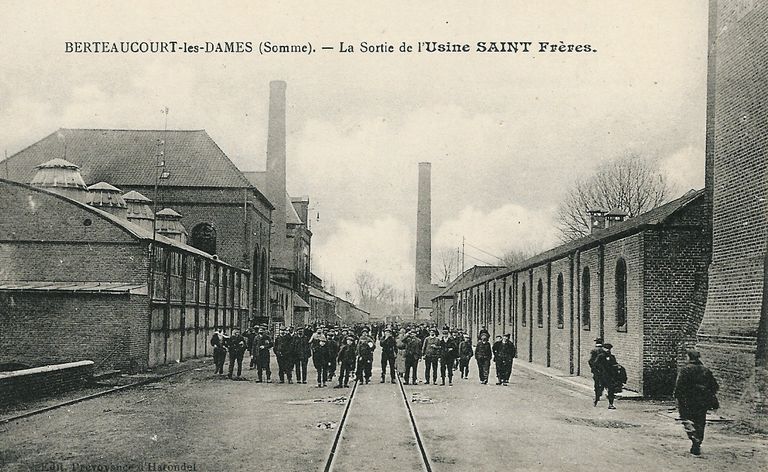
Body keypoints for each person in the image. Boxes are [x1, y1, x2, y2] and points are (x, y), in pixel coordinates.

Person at [674, 350, 719, 456]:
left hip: (687, 400)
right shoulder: (705, 370)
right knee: (700, 421)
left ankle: (693, 435)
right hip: (702, 401)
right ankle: (698, 441)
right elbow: (715, 386)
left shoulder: (685, 370)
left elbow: (679, 386)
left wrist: (676, 397)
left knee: (686, 418)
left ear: (689, 357)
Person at [594, 343, 625, 409]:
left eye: (609, 349)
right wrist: (599, 372)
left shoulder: (612, 357)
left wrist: (617, 366)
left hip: (610, 376)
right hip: (602, 376)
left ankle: (611, 404)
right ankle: (596, 399)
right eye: (606, 349)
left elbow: (614, 364)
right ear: (604, 349)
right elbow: (595, 365)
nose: (608, 350)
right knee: (600, 389)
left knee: (611, 390)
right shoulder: (600, 356)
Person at [588, 337, 605, 406]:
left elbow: (590, 361)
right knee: (603, 382)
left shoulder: (594, 351)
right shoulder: (604, 351)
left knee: (596, 382)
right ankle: (600, 392)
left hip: (596, 370)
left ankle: (597, 395)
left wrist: (593, 368)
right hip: (603, 370)